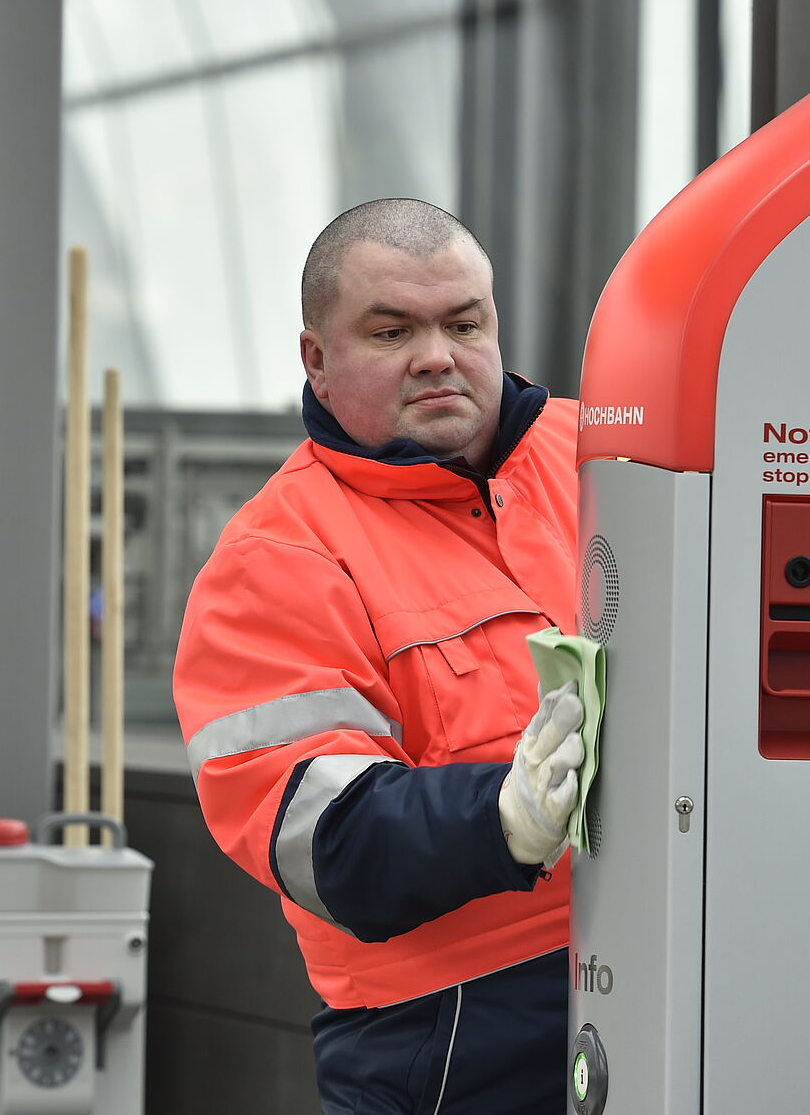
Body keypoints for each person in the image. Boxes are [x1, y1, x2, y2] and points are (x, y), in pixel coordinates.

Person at [173, 198, 586, 1114]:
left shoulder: (614, 459)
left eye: (462, 322)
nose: (437, 354)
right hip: (445, 1034)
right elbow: (317, 835)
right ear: (317, 361)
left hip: (660, 965)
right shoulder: (276, 560)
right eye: (392, 330)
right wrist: (504, 819)